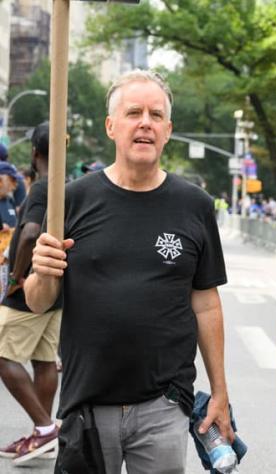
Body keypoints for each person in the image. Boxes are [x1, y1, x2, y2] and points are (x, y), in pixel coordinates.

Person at [24, 69, 233, 474]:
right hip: (86, 404)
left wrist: (221, 391)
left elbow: (206, 304)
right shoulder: (69, 200)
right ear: (111, 126)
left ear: (168, 130)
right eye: (134, 112)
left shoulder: (195, 205)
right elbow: (38, 302)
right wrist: (41, 271)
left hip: (164, 404)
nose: (145, 123)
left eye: (156, 115)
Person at [0, 122, 62, 465]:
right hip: (57, 290)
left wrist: (17, 277)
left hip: (29, 289)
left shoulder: (41, 189)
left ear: (34, 153)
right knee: (42, 360)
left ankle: (44, 426)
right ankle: (41, 433)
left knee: (2, 356)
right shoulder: (67, 187)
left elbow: (29, 235)